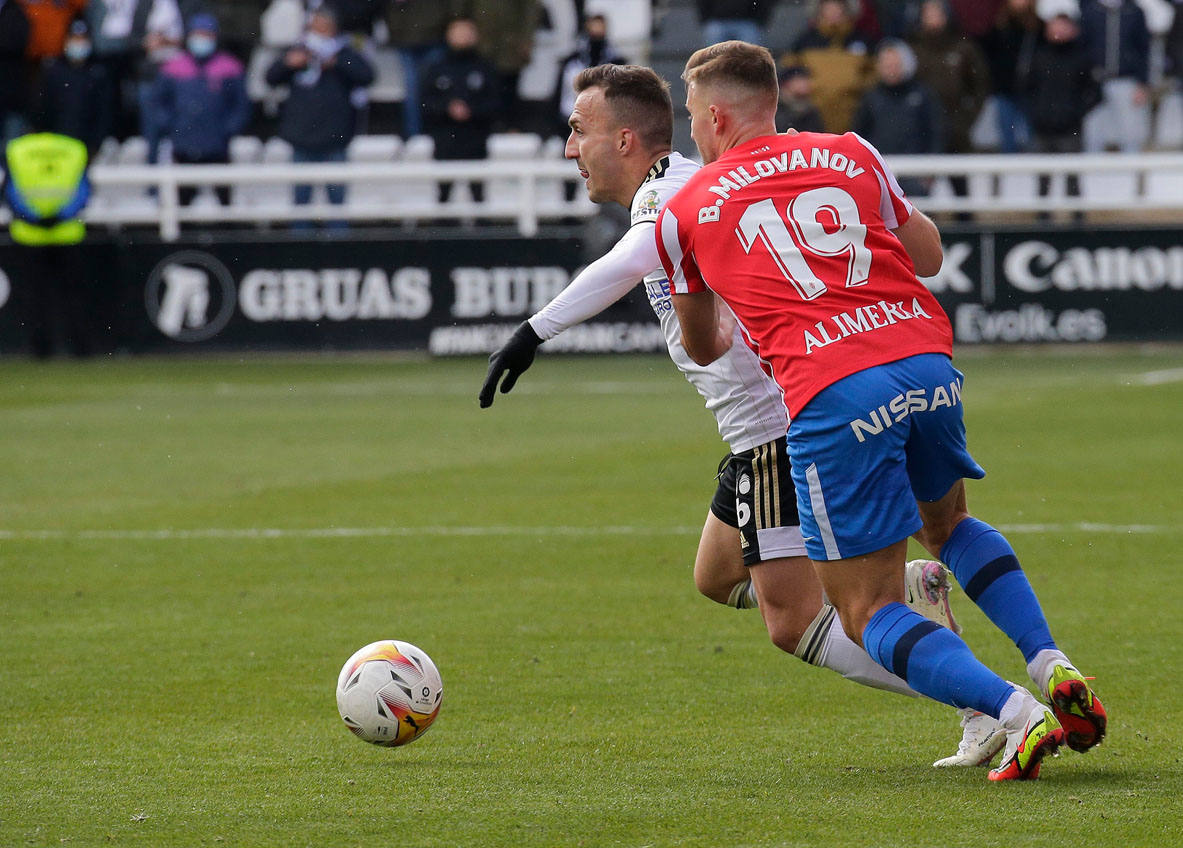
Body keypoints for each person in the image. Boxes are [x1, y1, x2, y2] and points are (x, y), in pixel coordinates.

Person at [478, 63, 1008, 770]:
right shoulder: (684, 185)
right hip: (757, 432)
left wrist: (534, 330)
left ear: (627, 137)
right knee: (716, 574)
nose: (569, 148)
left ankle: (984, 703)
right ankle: (909, 600)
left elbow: (637, 255)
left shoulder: (673, 192)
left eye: (579, 130)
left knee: (792, 621)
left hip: (781, 428)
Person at [656, 40, 1107, 780]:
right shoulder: (848, 152)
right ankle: (1049, 661)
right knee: (948, 524)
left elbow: (702, 346)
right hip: (925, 363)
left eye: (691, 117)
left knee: (863, 610)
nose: (691, 133)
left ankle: (1014, 711)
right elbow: (925, 254)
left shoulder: (685, 208)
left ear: (713, 116)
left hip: (835, 390)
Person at [266, 5, 374, 227]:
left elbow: (367, 76)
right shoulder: (297, 51)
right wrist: (289, 64)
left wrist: (336, 63)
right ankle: (299, 254)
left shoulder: (344, 52)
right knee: (301, 204)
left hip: (335, 138)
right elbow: (270, 77)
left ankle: (340, 255)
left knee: (337, 206)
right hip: (302, 137)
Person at [2, 131, 94, 357]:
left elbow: (9, 192)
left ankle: (40, 349)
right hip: (67, 233)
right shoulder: (74, 148)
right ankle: (80, 348)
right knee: (73, 295)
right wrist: (61, 216)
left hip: (30, 235)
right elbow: (85, 191)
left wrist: (34, 218)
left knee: (35, 296)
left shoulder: (16, 149)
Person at [144, 11, 250, 206]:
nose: (201, 40)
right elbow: (157, 102)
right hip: (183, 145)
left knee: (225, 200)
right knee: (182, 201)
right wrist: (172, 126)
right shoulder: (173, 67)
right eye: (197, 34)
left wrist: (228, 129)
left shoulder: (229, 67)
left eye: (206, 35)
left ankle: (226, 234)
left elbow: (241, 105)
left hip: (218, 145)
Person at [1019, 5, 1099, 205]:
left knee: (1072, 180)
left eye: (1064, 26)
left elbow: (1096, 93)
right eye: (1055, 26)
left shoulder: (1082, 58)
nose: (1059, 31)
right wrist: (1036, 113)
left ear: (1073, 29)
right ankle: (1042, 221)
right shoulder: (1038, 57)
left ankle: (1077, 222)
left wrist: (1076, 113)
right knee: (1043, 180)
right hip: (1042, 128)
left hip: (1070, 129)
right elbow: (1025, 89)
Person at [421, 15, 499, 205]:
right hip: (445, 138)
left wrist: (471, 110)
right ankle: (443, 231)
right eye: (457, 32)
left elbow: (495, 102)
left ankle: (481, 231)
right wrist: (447, 109)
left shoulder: (484, 67)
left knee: (478, 192)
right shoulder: (437, 68)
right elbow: (425, 102)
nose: (462, 37)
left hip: (475, 137)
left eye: (467, 32)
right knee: (444, 193)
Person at [851, 39, 943, 195]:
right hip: (880, 172)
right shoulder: (871, 97)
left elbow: (936, 132)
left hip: (915, 171)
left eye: (895, 65)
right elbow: (858, 135)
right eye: (886, 65)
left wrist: (931, 170)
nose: (891, 70)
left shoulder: (922, 95)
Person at [778, 0, 875, 134]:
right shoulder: (805, 41)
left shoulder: (864, 40)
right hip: (813, 116)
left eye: (838, 6)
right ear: (819, 10)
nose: (833, 11)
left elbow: (875, 75)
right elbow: (789, 74)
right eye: (828, 7)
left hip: (854, 114)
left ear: (847, 9)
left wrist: (857, 84)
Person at [1078, 0, 1152, 153]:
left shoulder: (1134, 11)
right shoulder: (1090, 10)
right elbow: (1082, 48)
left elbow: (1144, 49)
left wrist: (1143, 83)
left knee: (1131, 134)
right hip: (1094, 81)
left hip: (1126, 80)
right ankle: (1093, 172)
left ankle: (1131, 172)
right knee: (1093, 133)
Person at [36, 18, 115, 156]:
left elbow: (104, 111)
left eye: (82, 39)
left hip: (86, 145)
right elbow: (42, 109)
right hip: (55, 145)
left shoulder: (98, 72)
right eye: (75, 39)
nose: (79, 44)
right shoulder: (54, 71)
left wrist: (95, 143)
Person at [695, 0, 780, 46]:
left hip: (748, 22)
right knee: (714, 56)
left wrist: (759, 20)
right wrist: (705, 19)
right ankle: (716, 76)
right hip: (718, 22)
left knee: (751, 57)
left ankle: (749, 76)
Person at [774, 65, 824, 134]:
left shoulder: (811, 111)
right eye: (800, 80)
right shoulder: (774, 110)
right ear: (787, 83)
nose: (807, 83)